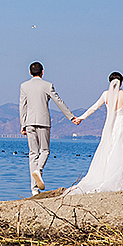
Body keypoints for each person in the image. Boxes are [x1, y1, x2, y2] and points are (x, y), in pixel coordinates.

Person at [66, 72, 123, 195]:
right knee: (122, 149)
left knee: (108, 149)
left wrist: (81, 118)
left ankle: (106, 174)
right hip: (121, 124)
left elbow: (94, 107)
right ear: (121, 82)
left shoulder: (106, 95)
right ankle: (120, 176)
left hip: (109, 125)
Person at [20, 62, 77, 195]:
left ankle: (34, 190)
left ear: (30, 72)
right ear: (42, 72)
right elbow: (59, 101)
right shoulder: (47, 85)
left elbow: (22, 106)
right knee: (44, 151)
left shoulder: (24, 86)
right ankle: (38, 171)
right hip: (43, 121)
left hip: (29, 122)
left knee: (33, 153)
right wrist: (70, 117)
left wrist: (23, 124)